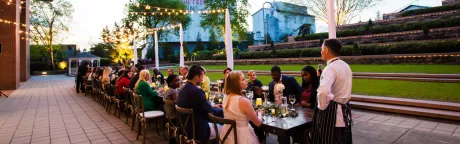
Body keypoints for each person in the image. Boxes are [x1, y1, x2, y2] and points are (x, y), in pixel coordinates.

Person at [311, 39, 353, 144]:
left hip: (332, 116)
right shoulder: (345, 65)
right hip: (344, 113)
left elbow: (323, 92)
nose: (320, 52)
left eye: (321, 49)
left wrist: (321, 108)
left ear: (326, 50)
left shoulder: (330, 68)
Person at [176, 65, 223, 142]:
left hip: (185, 128)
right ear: (196, 77)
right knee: (227, 129)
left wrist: (212, 105)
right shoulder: (197, 91)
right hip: (198, 131)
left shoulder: (183, 89)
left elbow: (197, 105)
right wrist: (224, 110)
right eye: (202, 77)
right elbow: (211, 111)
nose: (202, 79)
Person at [220, 71, 263, 144]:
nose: (246, 80)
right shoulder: (243, 100)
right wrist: (260, 114)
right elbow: (258, 123)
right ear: (236, 84)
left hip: (227, 135)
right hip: (241, 136)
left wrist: (252, 113)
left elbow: (237, 115)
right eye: (243, 79)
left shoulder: (226, 97)